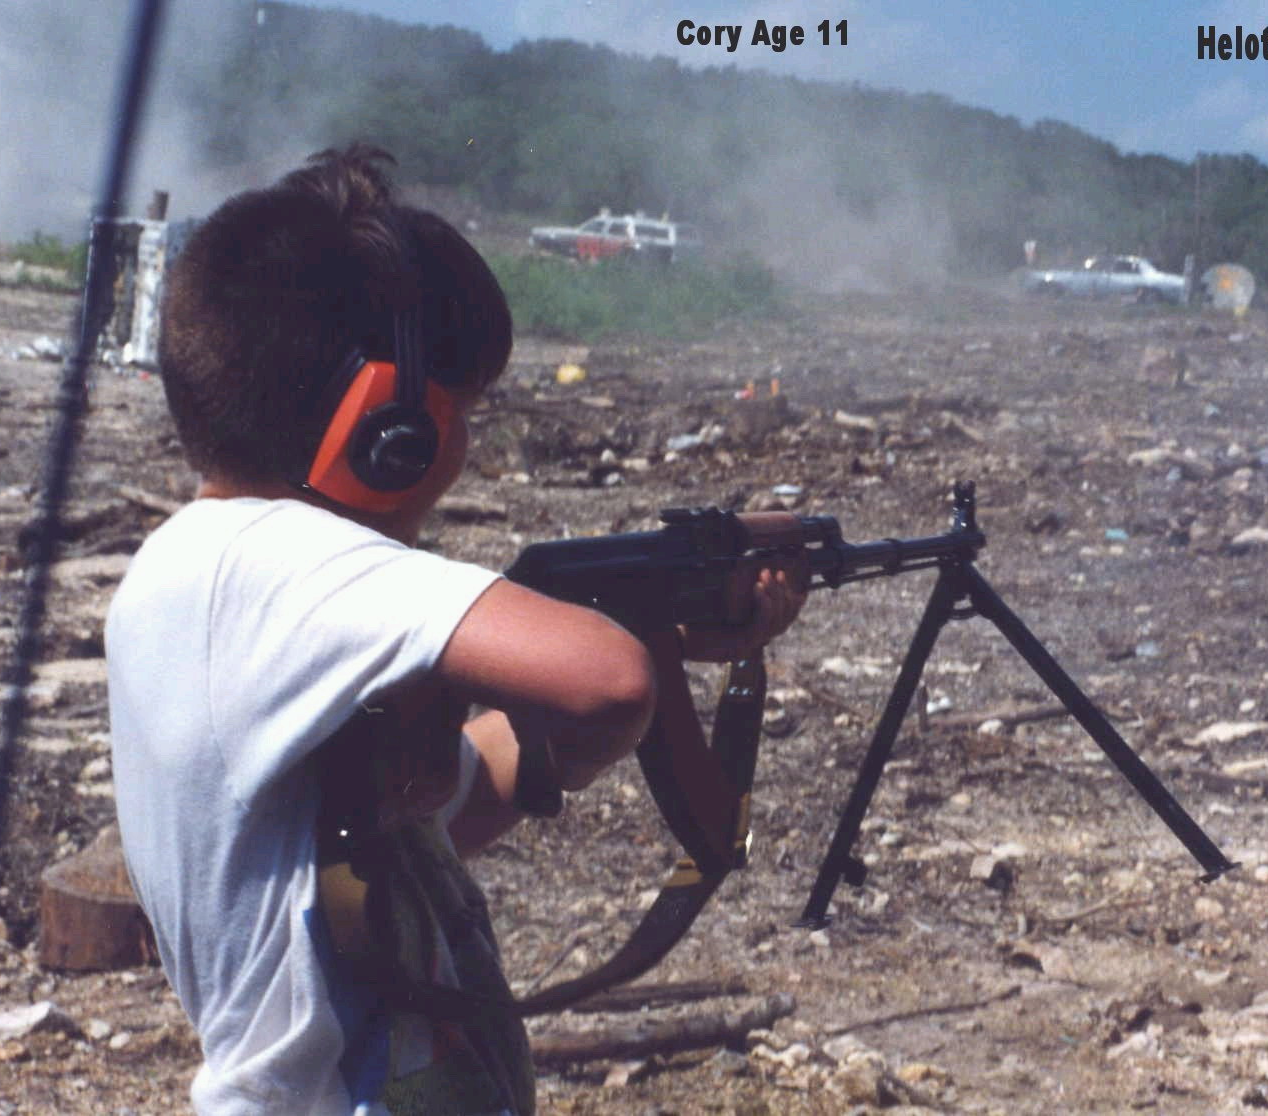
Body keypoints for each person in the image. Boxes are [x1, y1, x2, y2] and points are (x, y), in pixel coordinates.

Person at [105, 144, 804, 1115]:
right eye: (460, 413)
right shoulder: (266, 563)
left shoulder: (206, 575)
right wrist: (637, 653)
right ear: (394, 437)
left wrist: (669, 636)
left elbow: (457, 801)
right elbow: (610, 681)